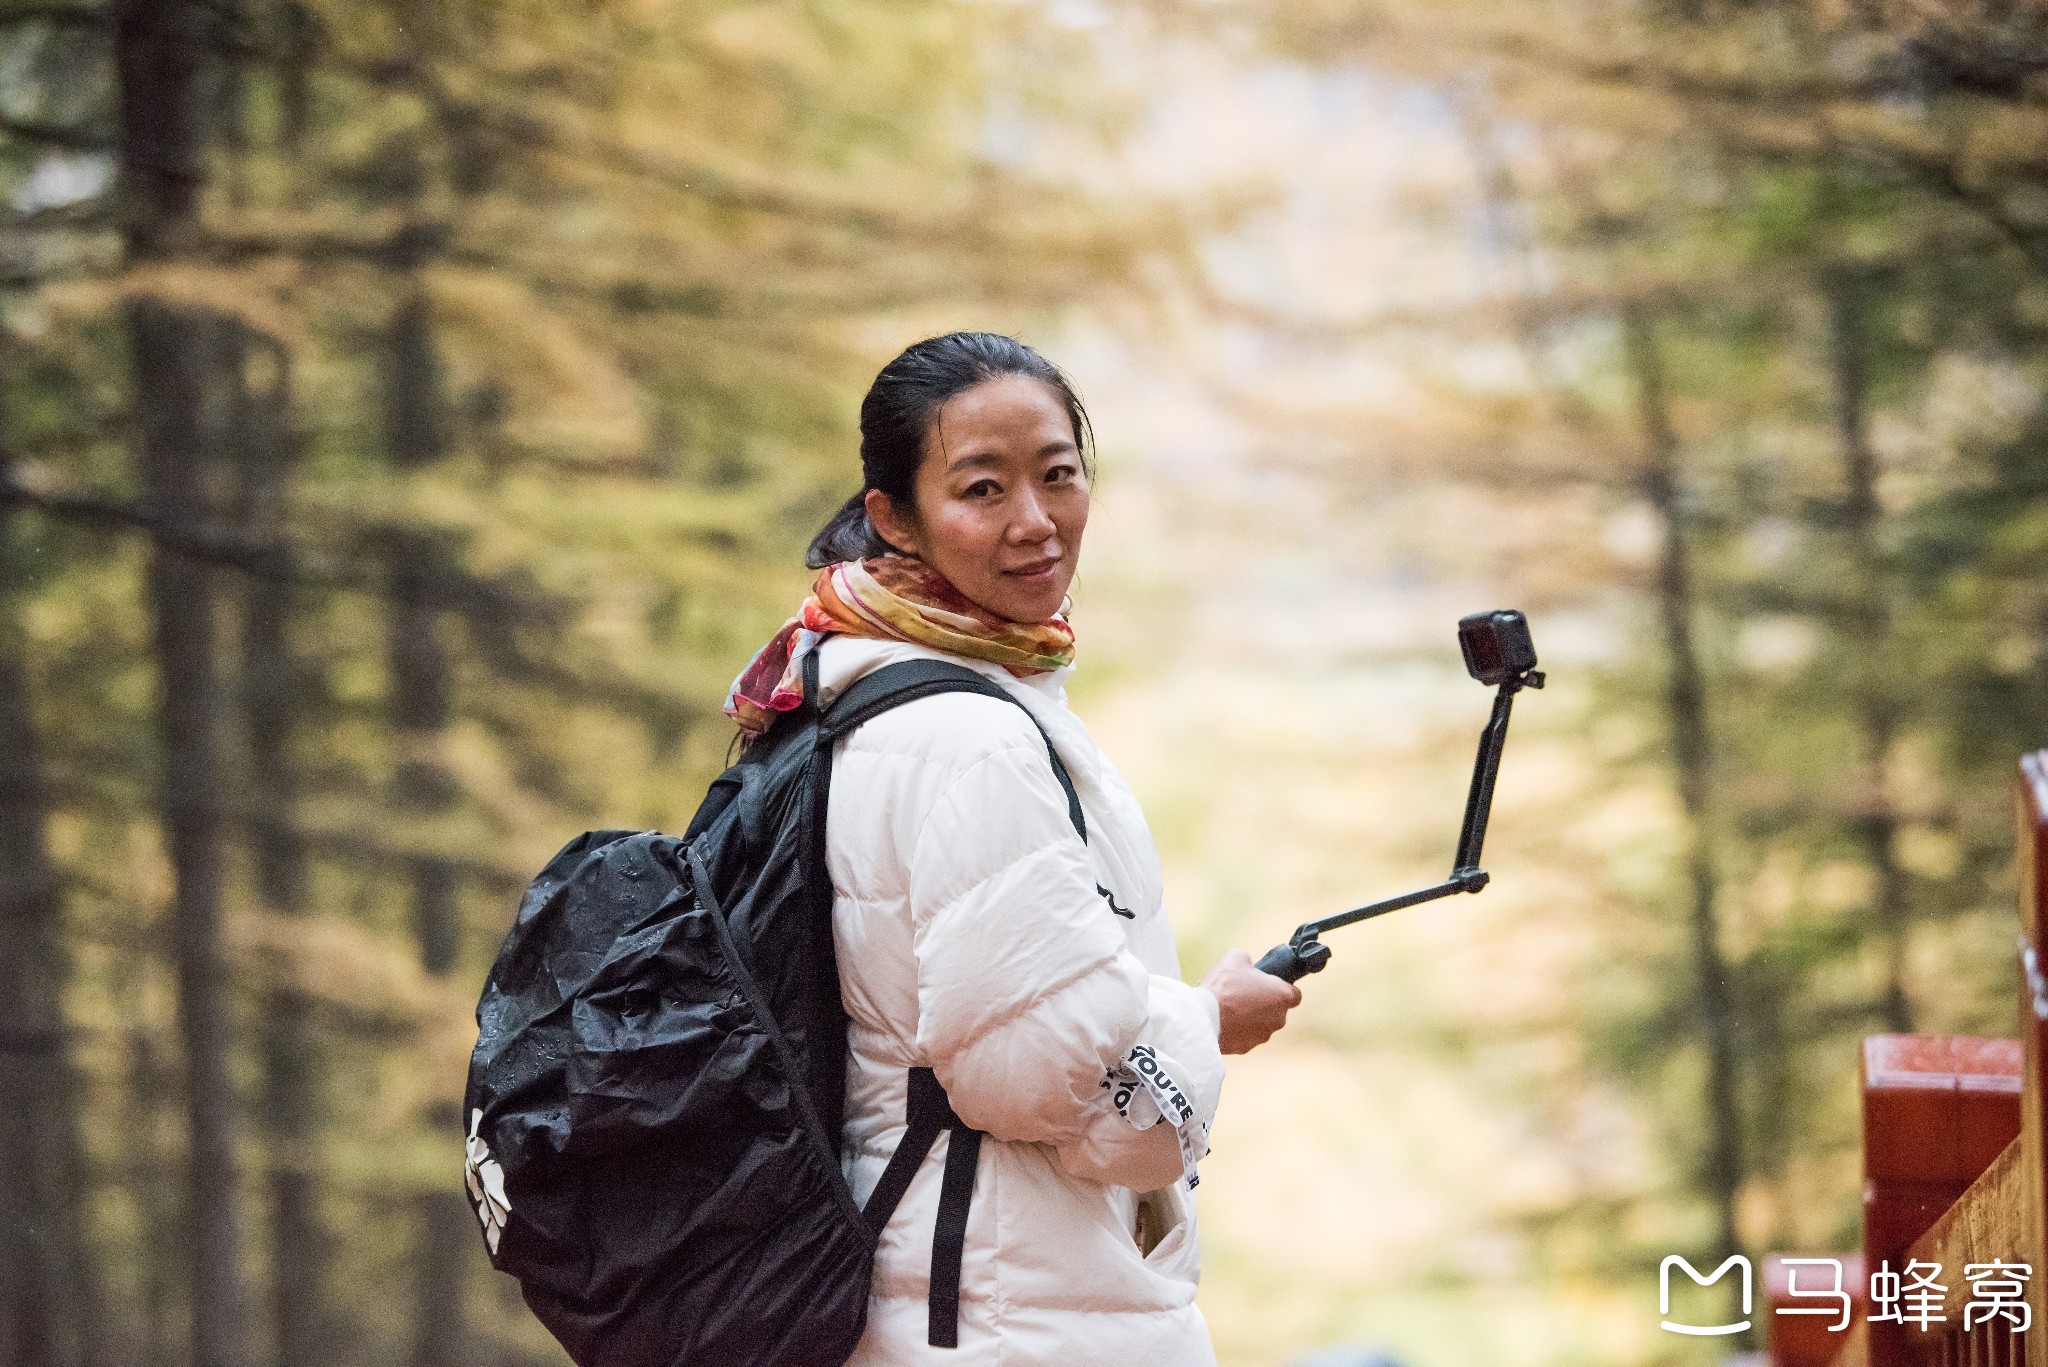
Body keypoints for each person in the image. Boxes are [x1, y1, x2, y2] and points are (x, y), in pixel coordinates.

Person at [723, 331, 1301, 1365]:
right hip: (1006, 1314)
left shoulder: (840, 688)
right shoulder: (969, 737)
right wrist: (1203, 1018)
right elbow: (1034, 1079)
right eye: (982, 489)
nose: (1034, 523)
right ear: (891, 515)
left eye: (1058, 476)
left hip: (926, 1292)